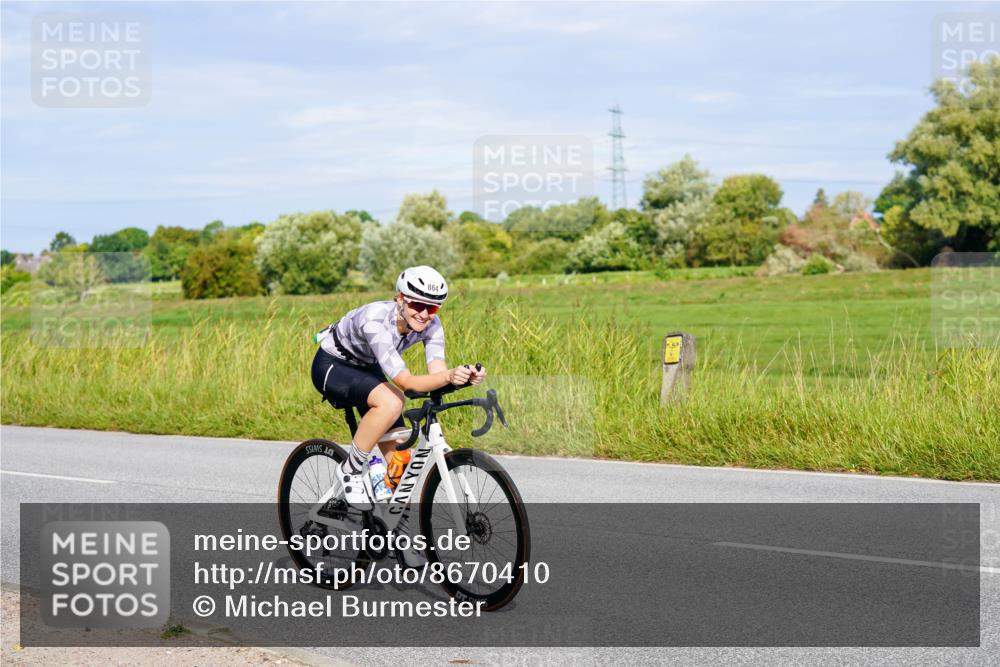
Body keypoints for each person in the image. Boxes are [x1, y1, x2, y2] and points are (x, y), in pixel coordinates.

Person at [310, 266, 485, 508]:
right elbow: (405, 382)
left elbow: (437, 373)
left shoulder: (433, 325)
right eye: (417, 305)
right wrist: (448, 376)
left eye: (432, 308)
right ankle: (350, 470)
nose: (424, 314)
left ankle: (384, 527)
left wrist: (463, 376)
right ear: (400, 299)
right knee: (393, 400)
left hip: (367, 367)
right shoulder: (375, 320)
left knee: (400, 465)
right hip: (333, 365)